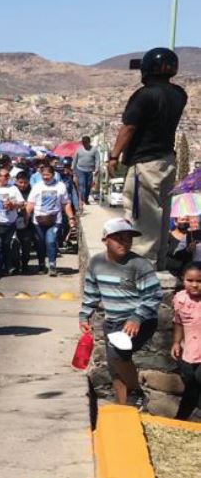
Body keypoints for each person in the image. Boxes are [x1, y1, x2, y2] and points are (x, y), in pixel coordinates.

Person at [108, 47, 187, 269]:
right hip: (167, 161)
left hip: (145, 163)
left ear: (147, 70)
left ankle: (143, 267)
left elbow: (129, 127)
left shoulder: (144, 95)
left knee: (142, 215)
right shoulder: (180, 94)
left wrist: (114, 156)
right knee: (162, 216)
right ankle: (159, 262)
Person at [80, 218, 160, 409]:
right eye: (119, 238)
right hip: (113, 322)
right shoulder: (96, 262)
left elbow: (154, 296)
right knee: (115, 367)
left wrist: (137, 317)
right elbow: (91, 291)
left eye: (128, 238)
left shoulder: (139, 265)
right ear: (105, 239)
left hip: (140, 320)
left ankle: (137, 393)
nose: (125, 242)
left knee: (118, 355)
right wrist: (84, 314)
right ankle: (124, 407)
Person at [26, 164, 76, 277]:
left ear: (53, 175)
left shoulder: (60, 186)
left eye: (48, 175)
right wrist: (26, 218)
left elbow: (66, 203)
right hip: (38, 221)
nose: (45, 177)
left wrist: (71, 218)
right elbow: (30, 204)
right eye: (43, 175)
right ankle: (42, 265)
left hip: (54, 220)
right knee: (40, 243)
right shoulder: (37, 186)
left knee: (50, 241)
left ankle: (52, 266)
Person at [0, 167, 26, 279]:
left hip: (10, 224)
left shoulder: (13, 189)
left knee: (6, 246)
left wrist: (13, 205)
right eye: (3, 176)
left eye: (7, 176)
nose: (5, 178)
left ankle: (5, 267)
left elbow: (22, 204)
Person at [171, 262, 201, 420]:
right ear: (183, 279)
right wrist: (176, 342)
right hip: (189, 351)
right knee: (191, 386)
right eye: (190, 280)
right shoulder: (180, 298)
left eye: (199, 281)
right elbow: (179, 322)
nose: (195, 285)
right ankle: (180, 420)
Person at [12, 170, 36, 274]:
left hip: (28, 222)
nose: (23, 185)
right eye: (20, 182)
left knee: (26, 244)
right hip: (13, 221)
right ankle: (16, 266)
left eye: (25, 182)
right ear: (16, 181)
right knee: (14, 245)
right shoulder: (12, 190)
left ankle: (25, 264)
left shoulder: (32, 190)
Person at [72, 136, 99, 206]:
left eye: (86, 143)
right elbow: (75, 160)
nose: (84, 145)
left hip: (90, 170)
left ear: (89, 142)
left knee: (88, 185)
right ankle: (82, 198)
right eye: (83, 143)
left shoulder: (94, 150)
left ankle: (86, 199)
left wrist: (97, 168)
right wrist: (73, 169)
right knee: (82, 184)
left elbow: (97, 160)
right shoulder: (78, 150)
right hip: (80, 169)